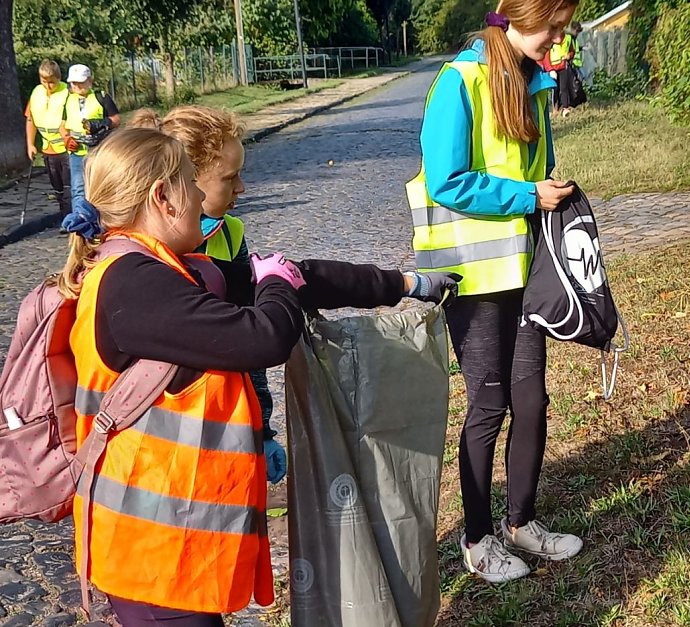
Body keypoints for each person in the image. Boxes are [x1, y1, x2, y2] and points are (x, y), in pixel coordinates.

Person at [61, 128, 458, 625]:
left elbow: (298, 277)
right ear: (163, 197)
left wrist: (403, 283)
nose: (202, 196)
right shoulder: (134, 285)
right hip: (150, 553)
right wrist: (275, 284)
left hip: (170, 542)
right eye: (191, 182)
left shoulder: (164, 269)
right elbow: (263, 337)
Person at [406, 0, 583, 584]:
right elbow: (445, 181)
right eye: (553, 27)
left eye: (564, 29)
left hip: (523, 273)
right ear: (522, 17)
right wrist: (529, 195)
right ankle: (477, 539)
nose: (558, 40)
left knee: (531, 400)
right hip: (474, 278)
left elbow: (536, 169)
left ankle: (521, 522)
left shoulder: (534, 83)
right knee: (489, 404)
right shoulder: (459, 82)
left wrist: (548, 192)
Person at [128, 105, 287, 485]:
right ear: (187, 180)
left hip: (225, 423)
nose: (241, 188)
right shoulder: (138, 253)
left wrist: (262, 427)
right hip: (156, 442)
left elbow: (250, 341)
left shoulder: (231, 233)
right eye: (230, 178)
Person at [59, 64, 120, 217]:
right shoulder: (68, 100)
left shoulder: (101, 97)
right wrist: (66, 138)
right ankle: (80, 219)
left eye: (80, 82)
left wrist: (103, 123)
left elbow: (116, 119)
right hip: (77, 152)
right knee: (78, 188)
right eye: (74, 83)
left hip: (98, 151)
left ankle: (103, 217)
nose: (77, 86)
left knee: (101, 185)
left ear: (90, 81)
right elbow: (62, 125)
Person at [24, 59, 71, 215]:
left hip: (67, 149)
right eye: (44, 81)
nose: (48, 86)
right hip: (48, 149)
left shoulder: (67, 92)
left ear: (59, 78)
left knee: (69, 188)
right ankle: (63, 214)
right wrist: (30, 144)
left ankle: (70, 218)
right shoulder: (36, 92)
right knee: (57, 188)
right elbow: (30, 119)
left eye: (52, 82)